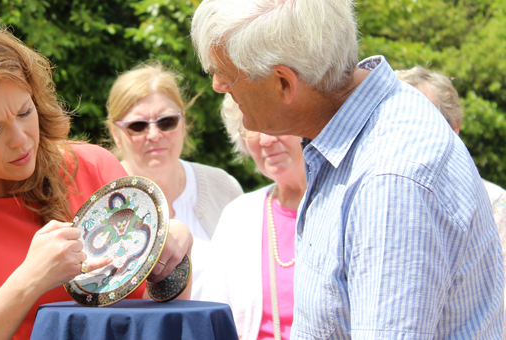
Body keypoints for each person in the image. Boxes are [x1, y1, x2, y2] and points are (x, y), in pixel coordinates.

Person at [191, 0, 503, 338]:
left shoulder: (389, 179)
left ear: (284, 82)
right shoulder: (365, 131)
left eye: (226, 72)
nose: (218, 85)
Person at [0, 28, 193, 340]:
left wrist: (173, 257)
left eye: (25, 112)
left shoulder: (93, 166)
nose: (21, 140)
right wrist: (29, 280)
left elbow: (159, 319)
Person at [105, 63, 243, 299]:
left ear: (183, 123)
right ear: (116, 135)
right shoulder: (104, 199)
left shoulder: (223, 186)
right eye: (137, 126)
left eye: (166, 121)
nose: (154, 135)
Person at [396, 65, 506, 333]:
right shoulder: (374, 201)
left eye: (421, 120)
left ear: (453, 128)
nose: (405, 133)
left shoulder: (495, 205)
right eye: (397, 121)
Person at [201, 93, 305, 340]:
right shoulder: (238, 215)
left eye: (276, 122)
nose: (266, 139)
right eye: (253, 126)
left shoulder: (341, 206)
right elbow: (212, 319)